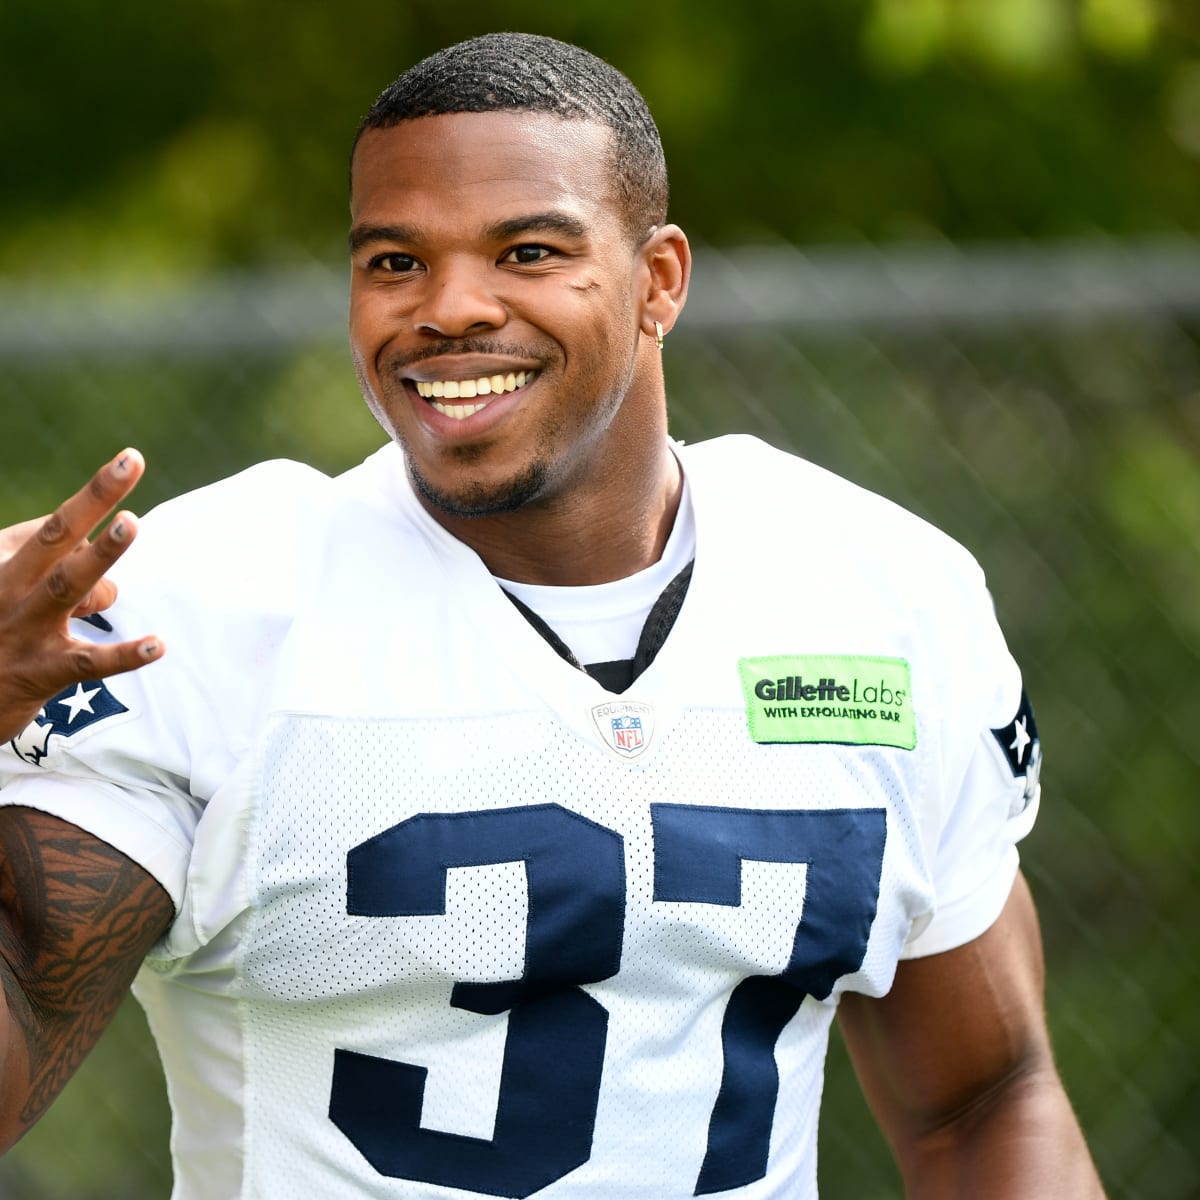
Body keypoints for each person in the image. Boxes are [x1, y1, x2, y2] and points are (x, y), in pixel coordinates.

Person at [0, 32, 1104, 1199]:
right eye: (393, 263)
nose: (449, 309)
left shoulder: (884, 596)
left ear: (659, 280)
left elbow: (985, 1099)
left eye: (527, 251)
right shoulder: (204, 603)